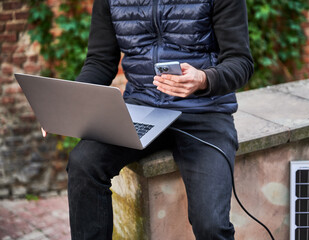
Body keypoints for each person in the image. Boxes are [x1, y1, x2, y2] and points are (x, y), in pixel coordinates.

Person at [65, 0, 254, 239]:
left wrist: (203, 79)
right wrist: (70, 102)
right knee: (83, 163)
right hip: (141, 108)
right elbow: (100, 61)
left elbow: (241, 62)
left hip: (205, 113)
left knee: (212, 225)